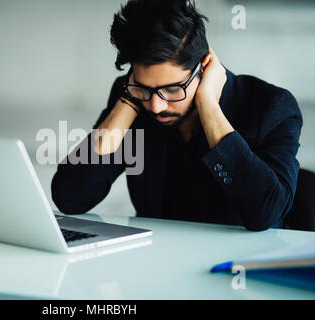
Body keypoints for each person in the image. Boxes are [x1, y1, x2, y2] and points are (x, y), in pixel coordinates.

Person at [51, 0, 302, 231]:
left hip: (240, 269)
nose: (157, 106)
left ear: (204, 68)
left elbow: (266, 215)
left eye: (172, 89)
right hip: (158, 264)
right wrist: (127, 100)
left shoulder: (271, 106)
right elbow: (70, 199)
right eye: (143, 87)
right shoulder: (132, 98)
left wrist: (209, 107)